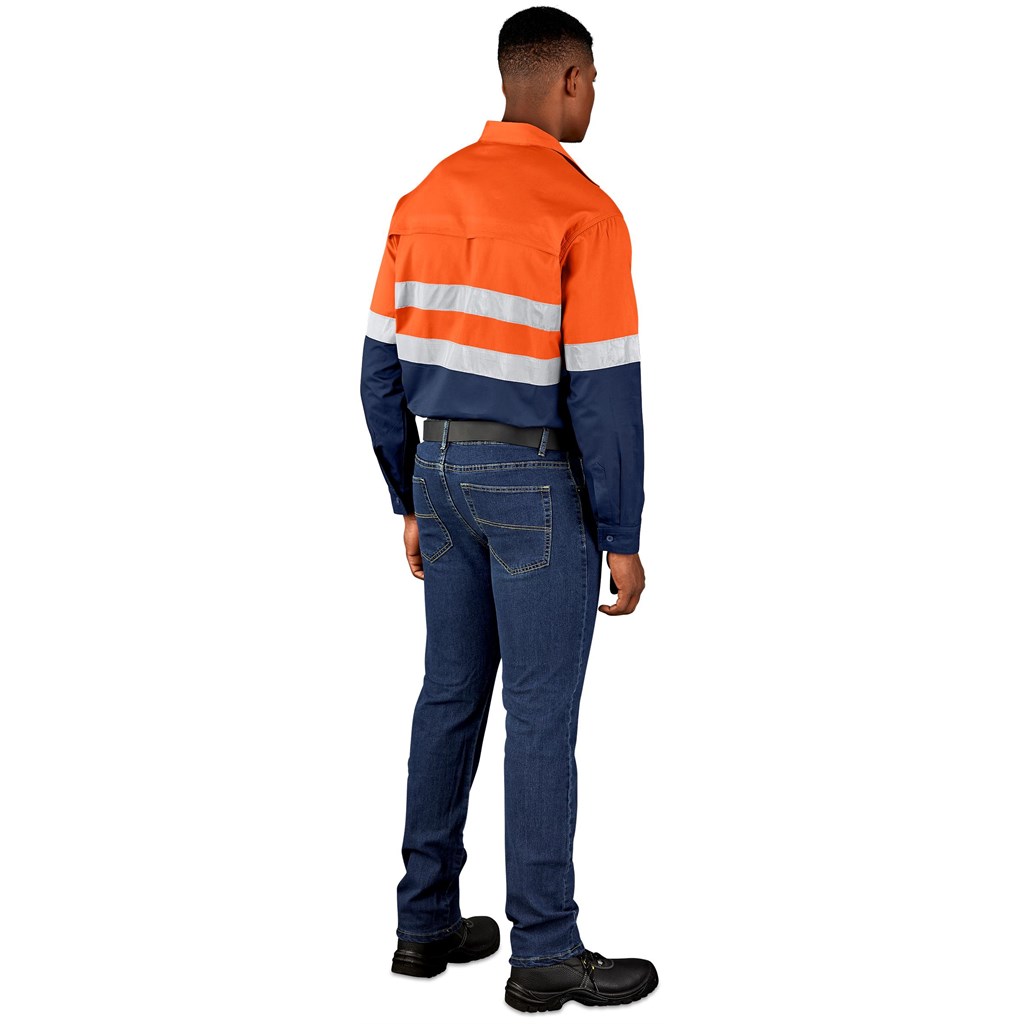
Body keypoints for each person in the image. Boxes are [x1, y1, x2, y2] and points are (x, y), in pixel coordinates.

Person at [359, 6, 656, 1013]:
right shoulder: (585, 212)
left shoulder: (424, 196)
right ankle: (545, 951)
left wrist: (408, 491)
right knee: (538, 714)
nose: (595, 98)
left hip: (439, 475)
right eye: (594, 81)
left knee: (448, 695)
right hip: (535, 487)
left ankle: (424, 923)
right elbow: (603, 391)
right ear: (568, 80)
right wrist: (623, 533)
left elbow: (376, 368)